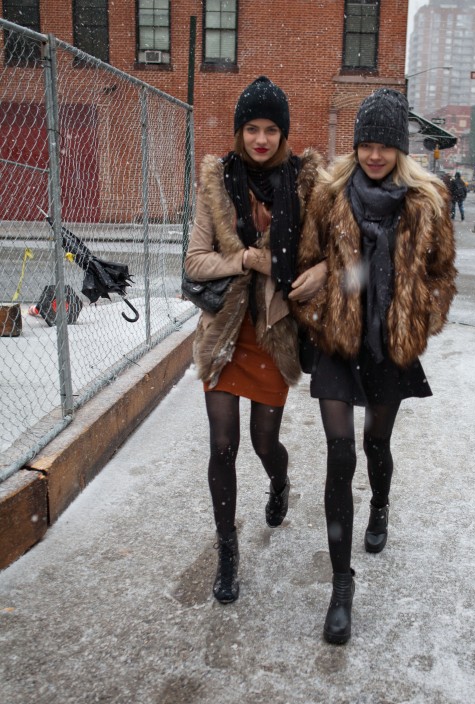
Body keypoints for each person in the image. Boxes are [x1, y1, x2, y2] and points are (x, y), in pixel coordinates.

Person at [292, 88, 457, 644]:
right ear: (356, 146)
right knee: (340, 454)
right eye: (367, 144)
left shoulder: (425, 202)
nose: (375, 155)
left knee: (374, 445)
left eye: (385, 145)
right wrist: (322, 294)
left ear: (400, 150)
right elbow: (308, 262)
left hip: (388, 346)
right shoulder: (330, 196)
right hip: (338, 344)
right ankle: (341, 585)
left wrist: (420, 319)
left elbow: (442, 274)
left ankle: (380, 503)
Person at [185, 76, 325, 604]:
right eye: (251, 129)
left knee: (265, 443)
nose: (261, 139)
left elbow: (333, 251)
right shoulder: (218, 183)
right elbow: (195, 261)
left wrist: (322, 270)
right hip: (224, 332)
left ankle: (279, 482)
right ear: (239, 132)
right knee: (222, 444)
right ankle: (227, 550)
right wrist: (246, 258)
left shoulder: (305, 185)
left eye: (270, 129)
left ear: (283, 133)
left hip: (272, 334)